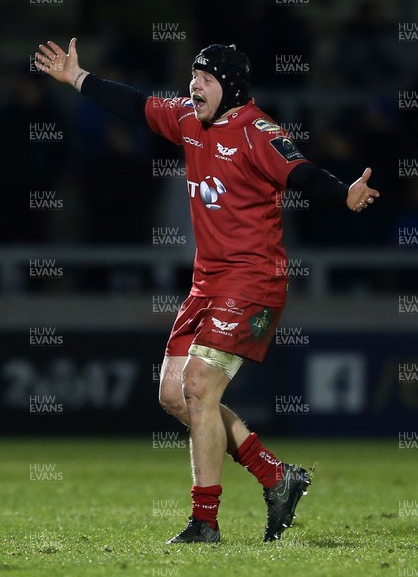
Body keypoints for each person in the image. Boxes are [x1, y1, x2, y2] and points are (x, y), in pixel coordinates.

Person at [35, 38, 380, 544]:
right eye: (194, 76)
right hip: (207, 281)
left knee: (198, 387)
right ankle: (277, 477)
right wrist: (79, 79)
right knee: (174, 395)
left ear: (232, 87)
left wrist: (342, 192)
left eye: (207, 78)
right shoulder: (187, 120)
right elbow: (134, 104)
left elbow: (300, 171)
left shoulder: (257, 130)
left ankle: (205, 522)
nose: (195, 85)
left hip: (253, 279)